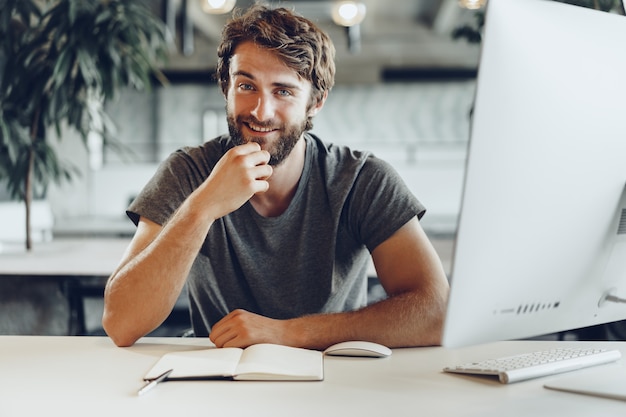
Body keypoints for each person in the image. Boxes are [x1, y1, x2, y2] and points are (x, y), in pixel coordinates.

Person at [102, 5, 449, 349]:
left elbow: (436, 311)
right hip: (217, 382)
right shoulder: (188, 172)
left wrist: (288, 334)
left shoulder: (362, 179)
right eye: (246, 86)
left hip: (333, 381)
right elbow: (120, 323)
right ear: (226, 88)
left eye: (283, 91)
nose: (259, 111)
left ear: (315, 103)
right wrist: (203, 206)